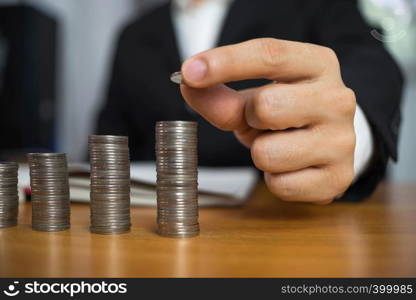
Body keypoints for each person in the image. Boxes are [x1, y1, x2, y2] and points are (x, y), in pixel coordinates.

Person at [97, 0, 403, 204]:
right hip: (153, 226)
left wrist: (352, 129)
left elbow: (374, 64)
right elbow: (111, 136)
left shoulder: (310, 5)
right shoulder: (132, 35)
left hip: (284, 224)